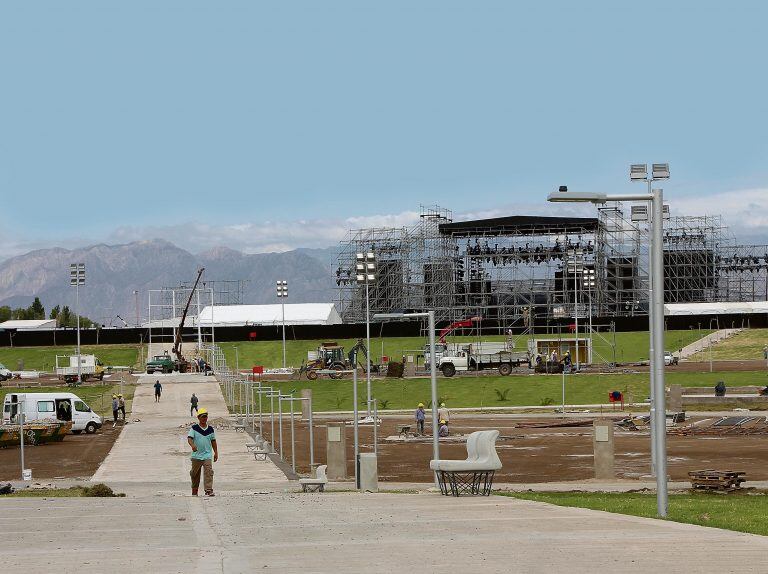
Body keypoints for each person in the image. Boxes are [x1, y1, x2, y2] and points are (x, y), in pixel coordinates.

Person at [187, 408, 218, 496]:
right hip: (196, 456)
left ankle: (208, 490)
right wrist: (192, 445)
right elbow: (189, 438)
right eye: (203, 417)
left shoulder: (210, 429)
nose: (204, 418)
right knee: (195, 474)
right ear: (199, 418)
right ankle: (195, 490)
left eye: (206, 417)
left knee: (209, 472)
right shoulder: (194, 428)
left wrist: (216, 452)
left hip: (207, 455)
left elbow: (213, 441)